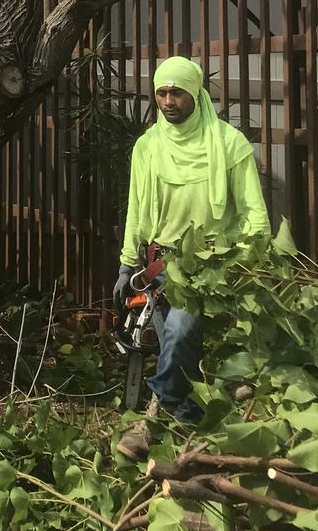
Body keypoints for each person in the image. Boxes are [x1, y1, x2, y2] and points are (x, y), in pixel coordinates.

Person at [115, 56, 270, 457]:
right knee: (178, 346)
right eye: (162, 92)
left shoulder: (228, 144)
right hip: (160, 265)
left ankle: (150, 420)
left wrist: (252, 261)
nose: (169, 101)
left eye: (177, 92)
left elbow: (254, 212)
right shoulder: (147, 147)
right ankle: (190, 430)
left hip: (212, 264)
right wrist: (127, 261)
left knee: (181, 332)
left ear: (196, 94)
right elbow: (136, 208)